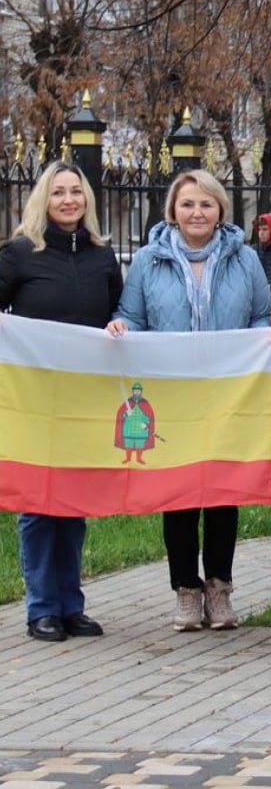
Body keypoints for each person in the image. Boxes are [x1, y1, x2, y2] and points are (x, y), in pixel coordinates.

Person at [108, 169, 271, 632]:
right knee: (178, 492)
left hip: (229, 392)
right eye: (187, 204)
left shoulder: (245, 259)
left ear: (220, 209)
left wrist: (266, 335)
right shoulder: (148, 260)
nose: (197, 212)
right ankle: (185, 588)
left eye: (206, 204)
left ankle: (219, 589)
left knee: (223, 491)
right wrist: (122, 327)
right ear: (173, 211)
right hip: (172, 393)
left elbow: (262, 315)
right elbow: (131, 315)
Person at [0, 162, 123, 643]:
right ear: (43, 200)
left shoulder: (102, 256)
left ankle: (72, 606)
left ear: (86, 199)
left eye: (76, 191)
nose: (68, 200)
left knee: (72, 502)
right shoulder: (19, 253)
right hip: (33, 398)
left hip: (83, 397)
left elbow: (115, 311)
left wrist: (119, 325)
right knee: (37, 502)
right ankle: (42, 608)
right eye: (58, 193)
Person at [115, 381, 157, 465]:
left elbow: (149, 416)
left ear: (141, 391)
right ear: (133, 391)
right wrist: (127, 413)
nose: (137, 392)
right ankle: (128, 458)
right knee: (128, 445)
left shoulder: (145, 403)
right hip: (129, 429)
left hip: (140, 430)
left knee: (139, 445)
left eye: (138, 390)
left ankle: (139, 459)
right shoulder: (128, 402)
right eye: (135, 390)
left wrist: (146, 423)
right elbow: (121, 415)